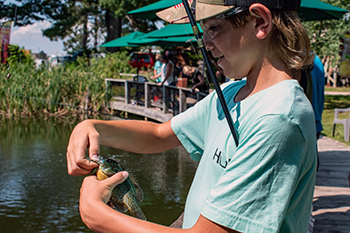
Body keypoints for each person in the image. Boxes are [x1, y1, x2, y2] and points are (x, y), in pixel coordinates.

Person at [66, 1, 317, 232]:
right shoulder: (231, 93)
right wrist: (92, 127)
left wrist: (97, 215)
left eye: (214, 28)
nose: (206, 43)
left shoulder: (278, 118)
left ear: (260, 22)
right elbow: (159, 135)